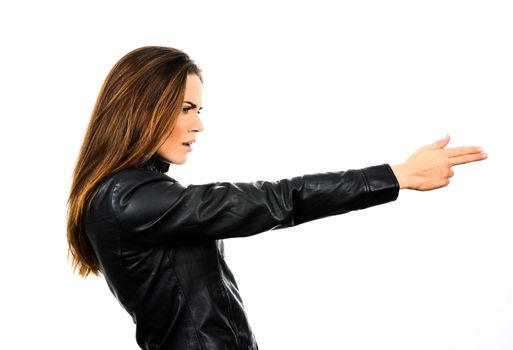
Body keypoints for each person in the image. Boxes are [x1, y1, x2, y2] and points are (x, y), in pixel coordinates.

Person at [66, 46, 487, 350]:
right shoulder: (128, 197)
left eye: (199, 110)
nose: (198, 125)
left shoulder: (135, 193)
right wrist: (397, 176)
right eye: (186, 108)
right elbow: (272, 200)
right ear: (143, 109)